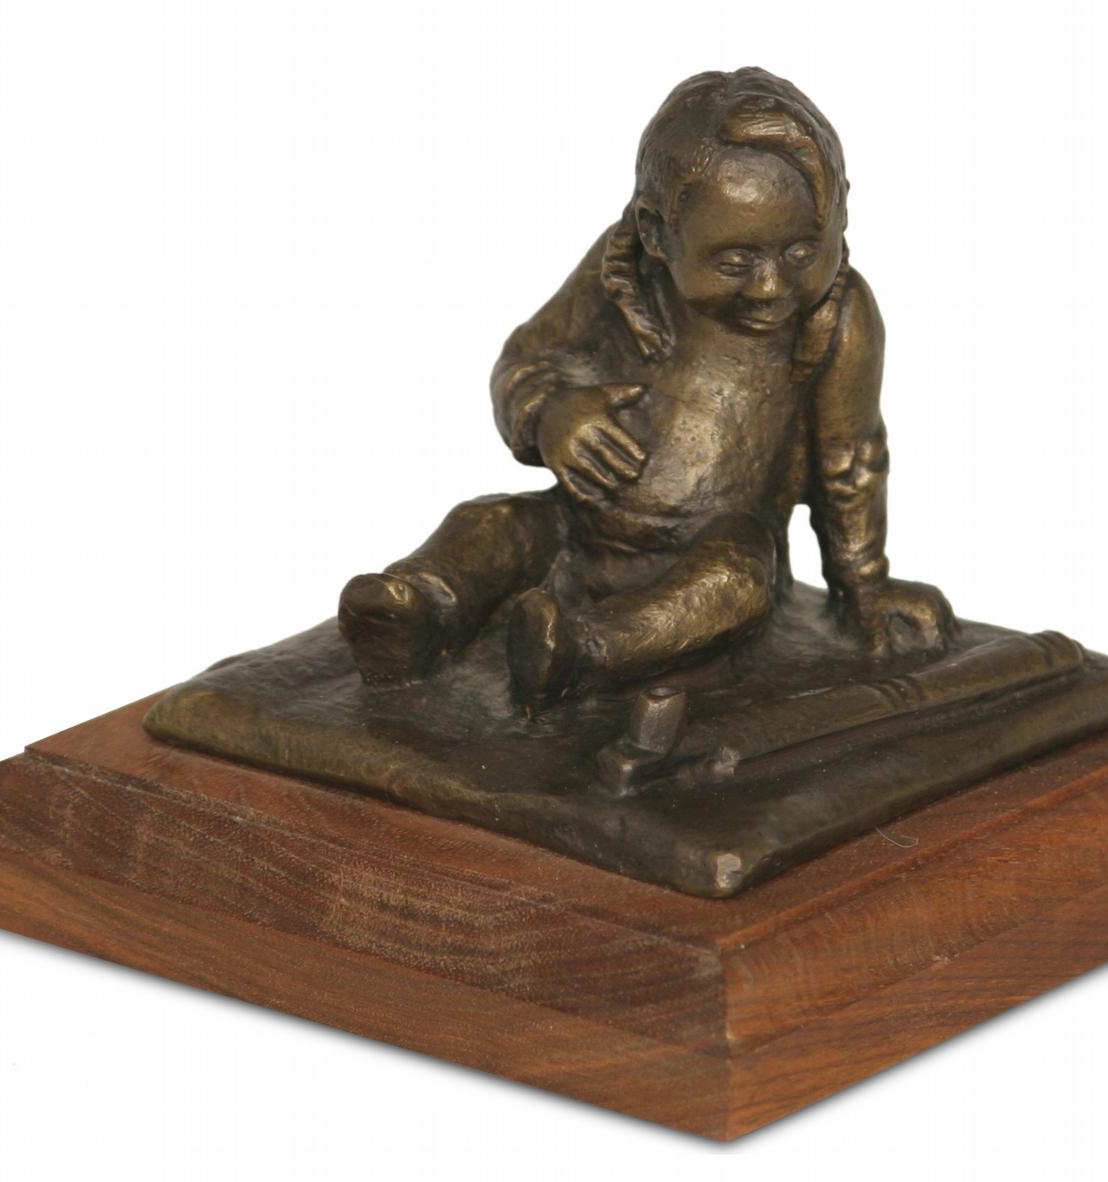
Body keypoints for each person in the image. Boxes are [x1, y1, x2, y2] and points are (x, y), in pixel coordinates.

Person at [340, 67, 956, 711]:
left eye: (802, 252)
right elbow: (526, 359)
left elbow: (851, 460)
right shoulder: (620, 269)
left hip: (719, 548)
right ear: (658, 233)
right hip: (579, 528)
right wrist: (551, 415)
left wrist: (863, 586)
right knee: (491, 523)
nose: (772, 286)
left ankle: (580, 649)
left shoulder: (840, 317)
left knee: (736, 584)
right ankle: (415, 611)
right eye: (735, 261)